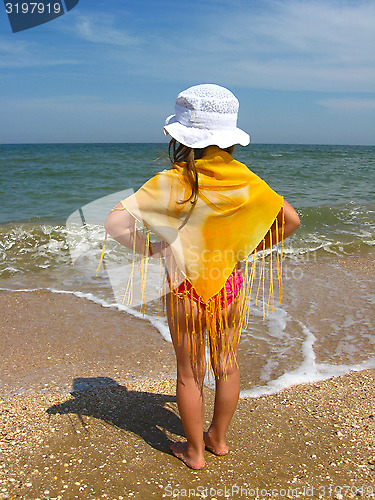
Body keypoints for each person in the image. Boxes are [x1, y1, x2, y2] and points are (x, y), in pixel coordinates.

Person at [104, 84, 300, 470]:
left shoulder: (171, 181)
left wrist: (154, 250)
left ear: (183, 137)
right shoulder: (247, 181)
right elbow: (290, 220)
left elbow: (114, 221)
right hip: (228, 283)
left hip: (183, 287)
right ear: (230, 138)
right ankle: (218, 440)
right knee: (227, 364)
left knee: (189, 372)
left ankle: (194, 452)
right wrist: (244, 250)